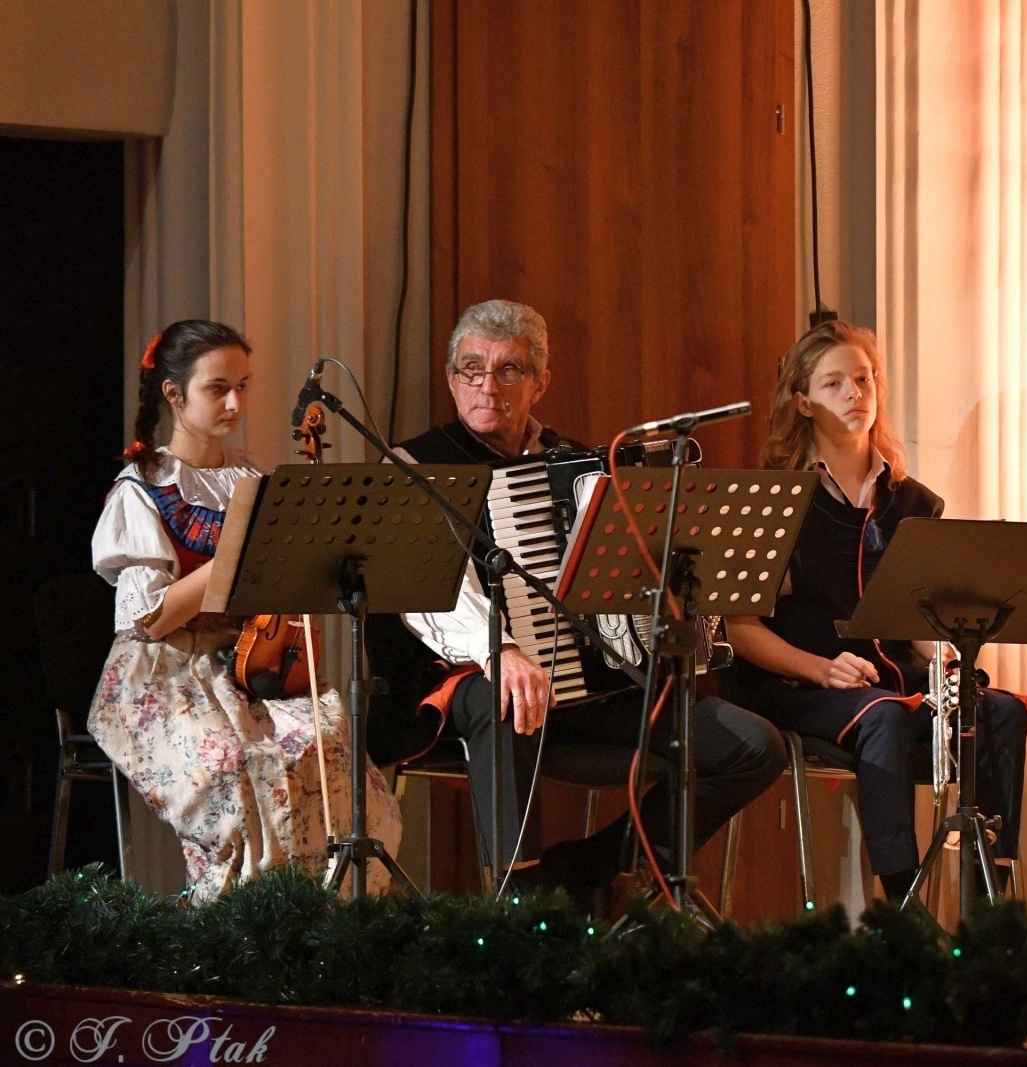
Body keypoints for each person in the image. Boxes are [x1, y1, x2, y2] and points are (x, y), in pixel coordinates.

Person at [364, 299, 785, 910]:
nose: (489, 385)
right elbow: (425, 595)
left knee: (753, 746)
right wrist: (501, 650)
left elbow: (619, 585)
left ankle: (590, 865)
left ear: (540, 383)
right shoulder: (413, 465)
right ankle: (519, 905)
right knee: (500, 694)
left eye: (510, 370)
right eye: (472, 369)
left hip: (582, 694)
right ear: (452, 380)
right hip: (454, 685)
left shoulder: (582, 466)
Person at [89, 320, 402, 902]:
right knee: (235, 766)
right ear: (174, 395)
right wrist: (233, 554)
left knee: (334, 751)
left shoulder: (252, 477)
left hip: (250, 663)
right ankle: (238, 927)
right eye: (217, 388)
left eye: (244, 385)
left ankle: (327, 924)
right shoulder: (141, 489)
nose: (235, 402)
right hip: (166, 670)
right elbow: (148, 618)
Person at [726, 320, 1027, 903]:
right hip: (804, 685)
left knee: (1000, 711)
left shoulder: (913, 502)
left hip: (894, 683)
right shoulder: (772, 498)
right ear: (803, 402)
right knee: (884, 717)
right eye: (834, 383)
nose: (854, 394)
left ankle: (990, 890)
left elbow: (922, 629)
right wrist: (822, 667)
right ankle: (901, 902)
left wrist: (946, 657)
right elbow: (741, 629)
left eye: (863, 380)